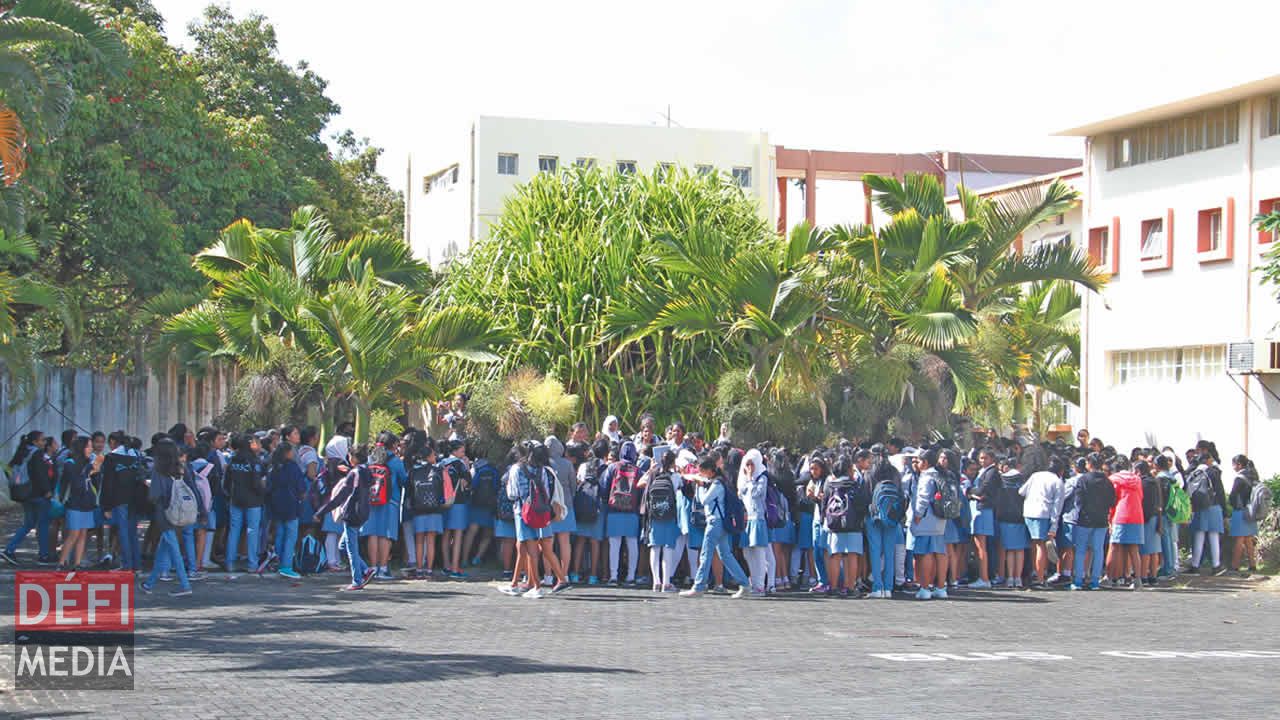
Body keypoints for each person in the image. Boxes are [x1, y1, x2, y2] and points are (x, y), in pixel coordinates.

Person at [501, 441, 570, 598]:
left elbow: (513, 493)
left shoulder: (517, 468)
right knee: (539, 547)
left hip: (523, 511)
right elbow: (546, 491)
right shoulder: (543, 470)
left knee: (531, 549)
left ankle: (536, 586)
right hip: (541, 511)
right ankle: (529, 584)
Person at [679, 454, 751, 599]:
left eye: (701, 471)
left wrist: (700, 486)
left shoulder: (717, 484)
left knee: (706, 554)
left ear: (709, 470)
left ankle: (698, 586)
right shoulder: (718, 481)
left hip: (714, 522)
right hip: (720, 522)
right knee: (725, 555)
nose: (699, 474)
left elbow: (704, 500)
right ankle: (744, 584)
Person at [141, 440, 203, 597]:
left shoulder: (158, 471)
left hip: (164, 513)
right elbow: (192, 488)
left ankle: (184, 584)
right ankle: (149, 583)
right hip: (180, 511)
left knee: (173, 549)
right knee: (163, 548)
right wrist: (201, 510)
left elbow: (154, 495)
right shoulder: (181, 468)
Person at [314, 443, 376, 591]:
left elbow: (339, 497)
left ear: (354, 458)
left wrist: (321, 512)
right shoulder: (366, 471)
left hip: (352, 513)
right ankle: (366, 570)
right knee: (343, 546)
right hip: (363, 512)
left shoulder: (354, 474)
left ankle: (357, 580)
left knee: (351, 549)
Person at [3, 431, 56, 565]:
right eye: (42, 440)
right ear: (35, 442)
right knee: (43, 524)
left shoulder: (22, 452)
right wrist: (47, 490)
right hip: (39, 495)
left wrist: (18, 483)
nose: (44, 442)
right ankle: (44, 555)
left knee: (29, 524)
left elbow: (8, 469)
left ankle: (9, 549)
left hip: (26, 494)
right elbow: (40, 474)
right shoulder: (37, 453)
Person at [1070, 453, 1116, 591]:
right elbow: (1112, 501)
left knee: (1081, 550)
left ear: (1089, 464)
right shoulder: (1107, 481)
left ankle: (1078, 581)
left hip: (1085, 519)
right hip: (1101, 520)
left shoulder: (1083, 479)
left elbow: (1078, 501)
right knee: (1098, 550)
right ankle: (1095, 581)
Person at [1019, 454, 1065, 589]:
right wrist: (1054, 525)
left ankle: (1034, 572)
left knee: (1034, 543)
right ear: (1060, 471)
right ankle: (1040, 578)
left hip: (1028, 512)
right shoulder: (1058, 482)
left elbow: (1021, 491)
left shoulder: (1036, 475)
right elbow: (1057, 507)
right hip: (1043, 514)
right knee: (1042, 545)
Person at [57, 436, 102, 571]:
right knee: (73, 534)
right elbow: (76, 483)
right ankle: (61, 563)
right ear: (81, 448)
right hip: (75, 504)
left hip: (88, 503)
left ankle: (77, 563)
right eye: (88, 446)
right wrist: (90, 469)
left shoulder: (89, 462)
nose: (91, 449)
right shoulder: (70, 463)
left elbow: (95, 483)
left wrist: (96, 470)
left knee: (83, 534)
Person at [224, 433, 267, 574]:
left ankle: (229, 563)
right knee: (252, 532)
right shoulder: (254, 461)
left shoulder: (233, 460)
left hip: (235, 499)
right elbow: (256, 483)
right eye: (255, 442)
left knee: (234, 531)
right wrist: (263, 493)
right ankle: (252, 564)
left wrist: (229, 495)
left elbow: (227, 481)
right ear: (250, 444)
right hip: (253, 501)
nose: (258, 444)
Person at [910, 449, 949, 599]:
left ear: (925, 462)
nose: (917, 463)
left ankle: (925, 588)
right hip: (940, 518)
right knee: (940, 553)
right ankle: (941, 588)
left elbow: (923, 498)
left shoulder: (926, 476)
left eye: (919, 461)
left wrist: (918, 515)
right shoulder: (941, 474)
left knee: (926, 553)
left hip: (927, 520)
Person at [602, 441, 642, 586]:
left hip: (614, 510)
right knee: (632, 543)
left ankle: (613, 576)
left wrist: (607, 501)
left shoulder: (613, 467)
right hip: (632, 511)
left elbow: (604, 486)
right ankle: (631, 577)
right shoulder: (638, 470)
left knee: (614, 544)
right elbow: (642, 490)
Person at [267, 441, 308, 579]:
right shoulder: (293, 467)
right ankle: (287, 566)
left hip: (276, 504)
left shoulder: (274, 467)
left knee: (280, 534)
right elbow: (301, 487)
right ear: (287, 453)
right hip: (291, 504)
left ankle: (279, 562)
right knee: (291, 536)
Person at [643, 450, 682, 592]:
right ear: (673, 462)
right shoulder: (676, 476)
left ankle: (656, 582)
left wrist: (651, 469)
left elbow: (644, 488)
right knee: (668, 549)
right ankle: (666, 583)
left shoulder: (653, 474)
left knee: (654, 548)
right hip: (669, 515)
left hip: (654, 515)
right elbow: (680, 489)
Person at [1106, 456, 1145, 589]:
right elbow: (1141, 497)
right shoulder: (1137, 480)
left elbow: (1112, 501)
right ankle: (1138, 580)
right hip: (1137, 515)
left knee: (1115, 546)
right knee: (1134, 548)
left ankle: (1111, 578)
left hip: (1120, 515)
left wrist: (1110, 519)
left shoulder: (1113, 479)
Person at [1186, 451, 1227, 575]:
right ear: (1208, 460)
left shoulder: (1193, 473)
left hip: (1198, 508)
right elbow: (1220, 492)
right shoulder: (1212, 472)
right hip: (1213, 506)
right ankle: (1216, 565)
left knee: (1199, 536)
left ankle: (1195, 566)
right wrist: (1224, 511)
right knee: (1213, 536)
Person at [738, 448, 772, 596]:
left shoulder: (762, 478)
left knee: (759, 554)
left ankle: (760, 585)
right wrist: (746, 479)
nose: (749, 467)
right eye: (747, 464)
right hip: (747, 520)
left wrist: (750, 479)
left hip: (758, 518)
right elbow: (741, 494)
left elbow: (756, 494)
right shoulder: (743, 479)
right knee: (747, 553)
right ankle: (754, 581)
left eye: (752, 464)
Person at [966, 447, 1000, 589]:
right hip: (978, 508)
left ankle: (984, 578)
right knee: (978, 544)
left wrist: (970, 491)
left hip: (983, 509)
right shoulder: (984, 471)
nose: (982, 461)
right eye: (981, 458)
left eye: (985, 458)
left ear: (992, 459)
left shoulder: (991, 472)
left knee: (981, 545)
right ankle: (982, 576)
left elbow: (983, 489)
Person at [545, 436, 577, 585]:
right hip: (566, 505)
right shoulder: (568, 464)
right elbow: (573, 485)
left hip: (549, 507)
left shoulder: (544, 464)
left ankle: (548, 575)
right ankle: (564, 575)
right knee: (565, 542)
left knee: (547, 542)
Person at [1227, 454, 1259, 576]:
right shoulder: (1253, 476)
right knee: (1248, 539)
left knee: (1239, 539)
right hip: (1251, 511)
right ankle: (1252, 564)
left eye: (1233, 464)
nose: (1233, 467)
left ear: (1239, 465)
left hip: (1240, 511)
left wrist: (1232, 505)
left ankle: (1235, 566)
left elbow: (1233, 496)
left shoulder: (1239, 478)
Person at [1137, 460, 1164, 586]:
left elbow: (1144, 503)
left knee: (1145, 550)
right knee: (1154, 550)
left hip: (1146, 518)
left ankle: (1143, 576)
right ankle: (1153, 576)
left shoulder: (1142, 483)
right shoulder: (1155, 481)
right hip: (1157, 517)